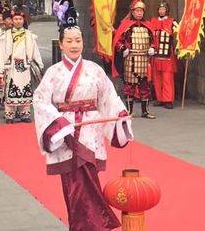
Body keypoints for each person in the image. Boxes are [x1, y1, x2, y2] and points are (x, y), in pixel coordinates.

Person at [33, 17, 133, 231]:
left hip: (90, 128)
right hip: (66, 132)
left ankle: (91, 225)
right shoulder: (53, 73)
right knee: (73, 184)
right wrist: (58, 124)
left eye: (77, 40)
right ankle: (87, 225)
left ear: (82, 43)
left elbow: (109, 97)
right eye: (69, 41)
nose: (74, 45)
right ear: (61, 44)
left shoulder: (95, 69)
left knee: (88, 178)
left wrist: (120, 114)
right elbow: (40, 101)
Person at [112, 0, 156, 119]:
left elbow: (154, 41)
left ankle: (145, 111)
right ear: (132, 12)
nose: (139, 13)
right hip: (130, 60)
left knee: (145, 86)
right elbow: (118, 41)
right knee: (129, 87)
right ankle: (129, 111)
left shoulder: (148, 26)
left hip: (144, 59)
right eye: (137, 11)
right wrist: (123, 49)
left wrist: (153, 48)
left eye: (141, 11)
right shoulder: (126, 26)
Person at [0, 10, 43, 124]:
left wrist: (39, 65)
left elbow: (35, 51)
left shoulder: (29, 35)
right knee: (11, 89)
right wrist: (0, 70)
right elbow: (2, 54)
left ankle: (25, 114)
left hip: (25, 66)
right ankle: (10, 115)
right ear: (12, 21)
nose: (18, 21)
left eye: (20, 19)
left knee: (25, 89)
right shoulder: (6, 36)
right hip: (11, 66)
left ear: (23, 20)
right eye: (16, 19)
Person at [150, 1, 178, 109]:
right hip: (156, 54)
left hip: (167, 55)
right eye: (160, 9)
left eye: (163, 9)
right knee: (157, 78)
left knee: (167, 78)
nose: (161, 11)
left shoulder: (172, 22)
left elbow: (179, 32)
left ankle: (168, 100)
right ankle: (160, 98)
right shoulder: (153, 21)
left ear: (167, 10)